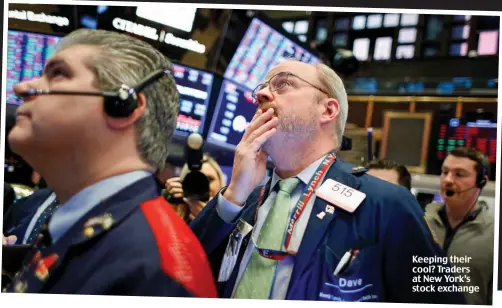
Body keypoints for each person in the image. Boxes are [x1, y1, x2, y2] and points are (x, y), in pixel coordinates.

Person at [190, 59, 466, 303]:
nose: (261, 94)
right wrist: (234, 194)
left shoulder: (387, 204)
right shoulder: (242, 199)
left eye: (283, 84)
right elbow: (184, 274)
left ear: (328, 110)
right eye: (261, 88)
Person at [2, 28, 217, 297]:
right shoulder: (79, 226)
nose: (21, 88)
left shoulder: (156, 270)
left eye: (57, 74)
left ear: (124, 105)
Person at [425, 147, 494, 305]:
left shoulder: (493, 235)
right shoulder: (419, 224)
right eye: (445, 172)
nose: (448, 180)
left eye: (459, 174)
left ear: (481, 181)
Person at [165, 153, 225, 222]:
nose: (203, 185)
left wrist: (207, 223)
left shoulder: (229, 218)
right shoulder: (172, 212)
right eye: (196, 180)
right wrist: (167, 198)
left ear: (220, 182)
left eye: (209, 179)